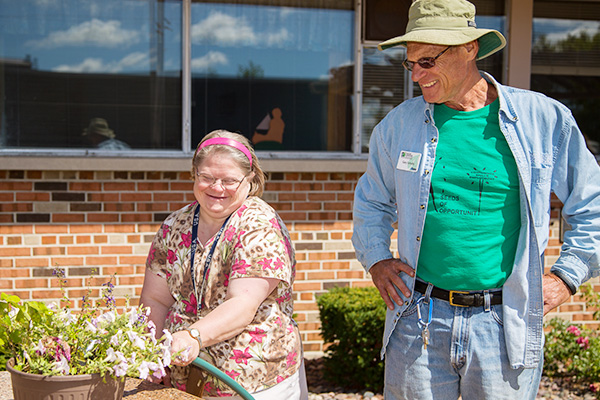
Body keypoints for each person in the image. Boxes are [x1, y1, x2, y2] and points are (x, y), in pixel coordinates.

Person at [351, 0, 600, 399]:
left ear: (469, 48)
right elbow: (372, 202)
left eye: (427, 61)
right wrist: (376, 258)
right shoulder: (397, 126)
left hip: (504, 323)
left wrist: (569, 275)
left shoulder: (543, 120)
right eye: (410, 63)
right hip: (420, 319)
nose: (416, 74)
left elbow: (592, 203)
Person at [140, 130, 307, 399]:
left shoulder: (260, 224)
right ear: (194, 174)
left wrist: (193, 336)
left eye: (229, 180)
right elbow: (155, 299)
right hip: (185, 378)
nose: (217, 188)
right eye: (206, 177)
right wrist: (151, 353)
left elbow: (242, 304)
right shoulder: (174, 225)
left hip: (252, 380)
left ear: (249, 179)